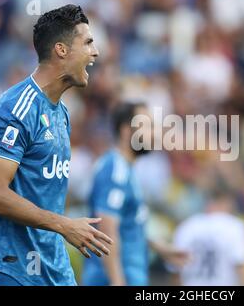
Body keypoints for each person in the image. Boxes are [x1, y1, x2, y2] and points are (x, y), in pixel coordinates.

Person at [0, 4, 113, 286]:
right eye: (88, 43)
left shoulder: (62, 112)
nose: (95, 52)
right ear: (61, 49)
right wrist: (65, 224)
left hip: (51, 270)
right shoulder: (14, 110)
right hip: (8, 268)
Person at [81, 102, 189, 286]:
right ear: (125, 131)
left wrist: (159, 247)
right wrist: (117, 281)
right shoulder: (115, 170)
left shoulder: (124, 170)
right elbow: (107, 227)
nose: (154, 134)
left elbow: (125, 225)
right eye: (146, 126)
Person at [172, 188, 244, 286]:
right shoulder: (234, 226)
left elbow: (176, 272)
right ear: (227, 202)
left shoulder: (186, 226)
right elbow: (240, 268)